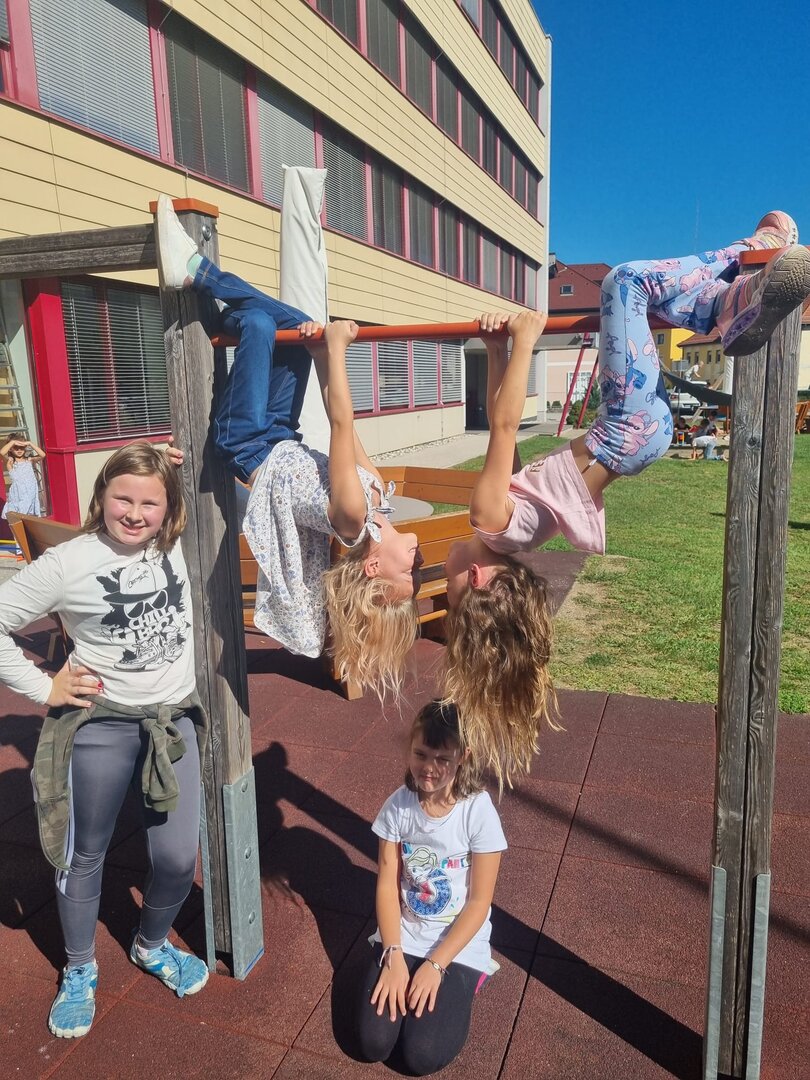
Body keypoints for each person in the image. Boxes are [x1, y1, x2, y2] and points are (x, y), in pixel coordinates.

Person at [443, 212, 810, 785]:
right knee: (625, 281)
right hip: (629, 425)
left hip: (636, 434)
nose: (440, 576)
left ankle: (730, 303)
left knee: (643, 298)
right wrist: (524, 342)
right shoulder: (489, 518)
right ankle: (751, 252)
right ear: (475, 579)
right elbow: (508, 424)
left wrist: (494, 351)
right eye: (449, 593)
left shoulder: (509, 531)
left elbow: (499, 432)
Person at [154, 195, 422, 695]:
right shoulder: (378, 498)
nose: (417, 558)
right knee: (295, 324)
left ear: (372, 566)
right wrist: (319, 356)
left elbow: (340, 424)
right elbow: (351, 431)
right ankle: (208, 295)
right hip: (280, 432)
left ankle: (198, 276)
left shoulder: (351, 518)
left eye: (410, 570)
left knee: (261, 326)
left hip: (247, 443)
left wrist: (336, 353)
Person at [0, 442, 209, 1039]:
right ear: (101, 496)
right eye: (123, 498)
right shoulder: (69, 562)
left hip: (171, 724)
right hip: (102, 726)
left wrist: (183, 458)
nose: (136, 514)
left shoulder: (177, 542)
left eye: (150, 502)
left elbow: (237, 500)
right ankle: (79, 966)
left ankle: (150, 944)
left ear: (169, 510)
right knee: (82, 854)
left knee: (177, 857)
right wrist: (44, 686)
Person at [356, 700, 506, 1075]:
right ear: (410, 747)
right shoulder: (398, 807)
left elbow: (480, 901)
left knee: (420, 1054)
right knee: (373, 1043)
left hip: (457, 942)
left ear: (462, 757)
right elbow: (387, 885)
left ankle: (471, 977)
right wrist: (393, 954)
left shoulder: (477, 811)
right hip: (406, 933)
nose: (429, 767)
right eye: (421, 754)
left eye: (442, 758)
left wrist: (436, 965)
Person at [1, 434, 45, 553]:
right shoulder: (11, 461)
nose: (19, 450)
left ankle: (32, 547)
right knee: (18, 523)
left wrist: (29, 443)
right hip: (19, 497)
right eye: (16, 448)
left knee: (30, 523)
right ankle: (21, 550)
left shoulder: (29, 460)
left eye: (21, 447)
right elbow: (2, 452)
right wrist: (12, 442)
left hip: (30, 496)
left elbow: (42, 455)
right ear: (11, 448)